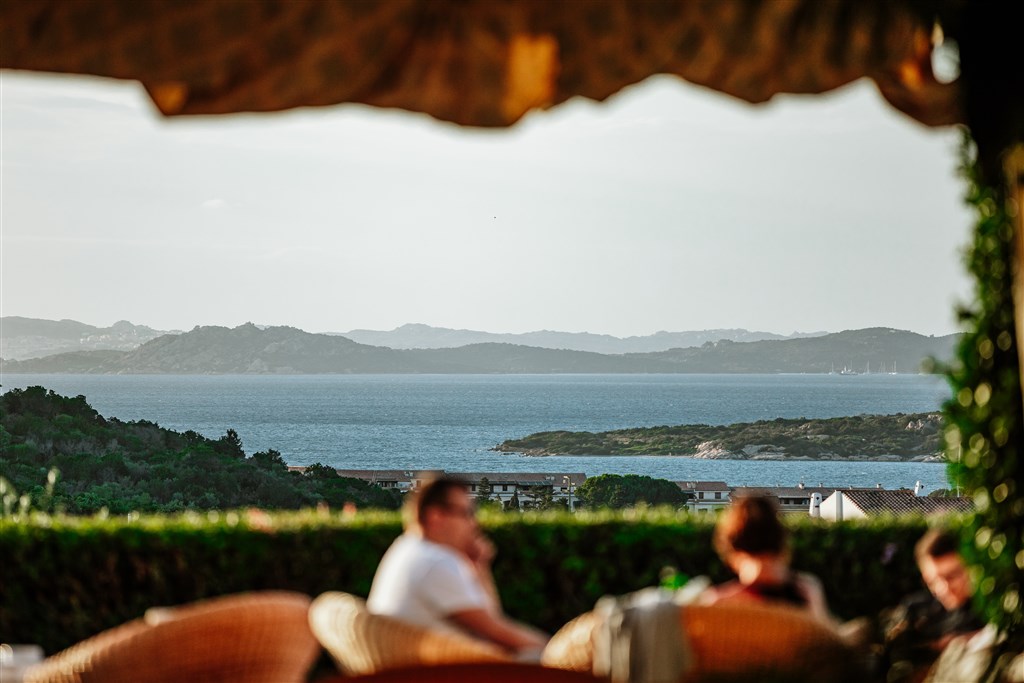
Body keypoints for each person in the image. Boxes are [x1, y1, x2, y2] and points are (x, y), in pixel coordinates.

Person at [367, 476, 548, 656]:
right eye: (466, 513)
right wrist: (553, 651)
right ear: (436, 516)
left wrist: (478, 566)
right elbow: (496, 632)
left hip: (413, 666)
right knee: (538, 656)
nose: (474, 523)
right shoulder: (434, 562)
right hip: (442, 672)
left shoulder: (407, 548)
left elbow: (491, 621)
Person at [697, 495, 832, 623]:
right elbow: (829, 641)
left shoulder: (717, 604)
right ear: (782, 543)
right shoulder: (807, 595)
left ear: (732, 548)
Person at [881, 528, 982, 683]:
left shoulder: (988, 608)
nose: (943, 588)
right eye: (932, 581)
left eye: (952, 575)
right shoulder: (916, 609)